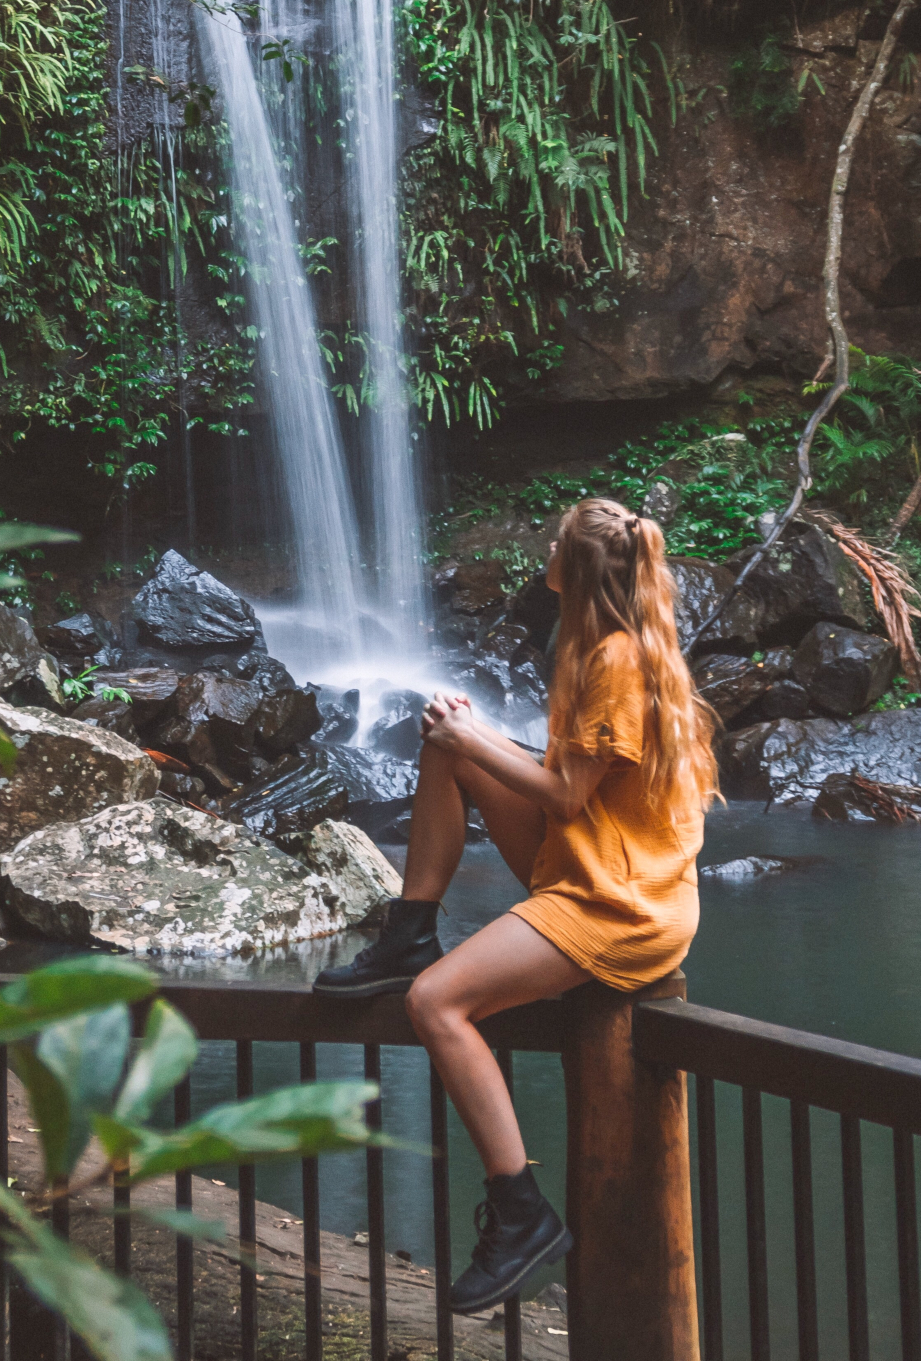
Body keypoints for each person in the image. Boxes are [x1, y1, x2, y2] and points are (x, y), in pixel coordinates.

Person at [314, 498, 718, 1314]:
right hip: (602, 863)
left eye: (553, 542)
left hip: (619, 903)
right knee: (445, 747)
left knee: (438, 1007)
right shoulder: (606, 646)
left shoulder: (615, 660)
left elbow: (568, 797)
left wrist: (480, 740)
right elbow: (578, 783)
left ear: (573, 567)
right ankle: (411, 930)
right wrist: (474, 739)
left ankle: (519, 1211)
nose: (543, 548)